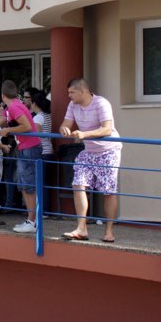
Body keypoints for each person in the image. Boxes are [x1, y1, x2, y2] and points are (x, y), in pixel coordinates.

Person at [59, 78, 122, 243]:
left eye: (72, 92)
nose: (69, 96)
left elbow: (107, 128)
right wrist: (64, 129)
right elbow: (65, 124)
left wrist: (84, 135)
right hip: (88, 150)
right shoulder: (73, 105)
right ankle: (81, 227)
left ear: (83, 91)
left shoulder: (101, 103)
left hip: (109, 150)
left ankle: (109, 231)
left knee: (108, 191)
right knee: (78, 183)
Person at [0, 80, 42, 234]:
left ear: (3, 96)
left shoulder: (15, 106)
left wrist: (8, 130)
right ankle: (31, 220)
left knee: (28, 186)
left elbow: (27, 126)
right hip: (26, 148)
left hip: (29, 149)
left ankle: (32, 221)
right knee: (24, 185)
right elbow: (2, 119)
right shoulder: (13, 105)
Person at [32, 91, 55, 216]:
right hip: (49, 151)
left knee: (40, 183)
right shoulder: (48, 116)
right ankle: (45, 209)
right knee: (45, 183)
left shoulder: (38, 117)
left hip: (42, 152)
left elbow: (36, 135)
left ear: (35, 104)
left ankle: (42, 210)